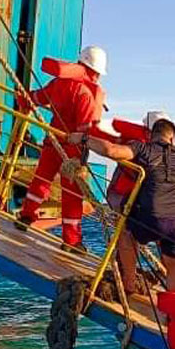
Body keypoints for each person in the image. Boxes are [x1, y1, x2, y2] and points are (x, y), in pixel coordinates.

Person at [69, 112, 175, 292]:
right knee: (174, 263)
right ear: (172, 139)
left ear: (150, 135)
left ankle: (129, 282)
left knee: (126, 233)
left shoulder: (143, 149)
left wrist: (84, 138)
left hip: (152, 218)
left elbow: (111, 151)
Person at [15, 45, 108, 252]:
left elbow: (37, 98)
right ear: (96, 71)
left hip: (52, 141)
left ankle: (26, 216)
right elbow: (85, 128)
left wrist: (22, 98)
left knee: (41, 180)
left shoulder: (59, 82)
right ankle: (71, 241)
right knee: (72, 194)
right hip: (72, 148)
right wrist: (83, 155)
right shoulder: (86, 93)